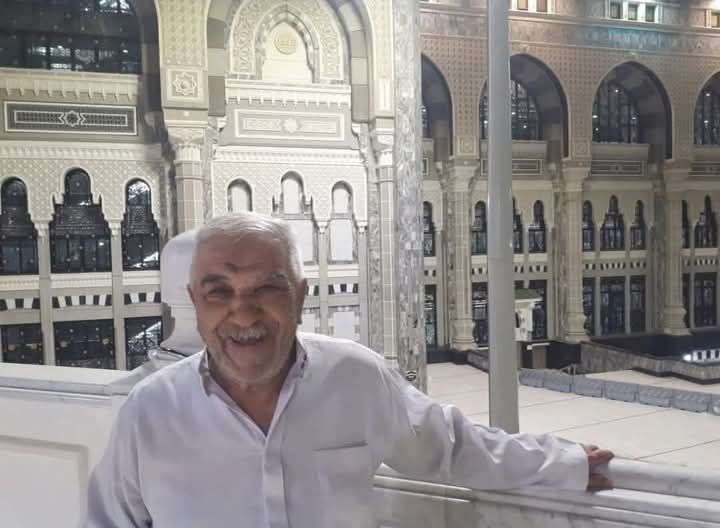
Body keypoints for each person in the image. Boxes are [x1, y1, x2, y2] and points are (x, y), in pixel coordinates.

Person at [84, 212, 614, 528]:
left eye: (266, 288)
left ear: (299, 296)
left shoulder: (355, 379)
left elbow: (451, 446)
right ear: (194, 303)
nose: (242, 313)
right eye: (219, 292)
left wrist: (563, 464)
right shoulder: (150, 413)